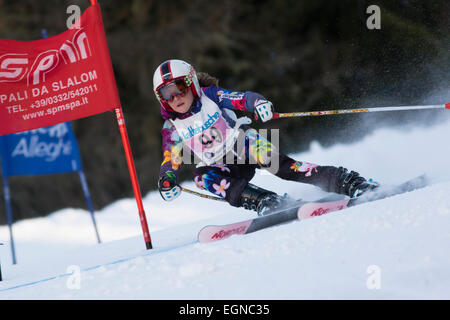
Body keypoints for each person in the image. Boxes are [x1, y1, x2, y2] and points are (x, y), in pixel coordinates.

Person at [154, 59, 378, 216]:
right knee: (202, 178)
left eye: (179, 88)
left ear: (192, 82)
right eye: (166, 94)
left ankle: (346, 181)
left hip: (242, 144)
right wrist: (167, 179)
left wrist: (259, 104)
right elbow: (170, 156)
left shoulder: (210, 97)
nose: (174, 97)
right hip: (221, 165)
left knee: (283, 167)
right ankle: (266, 201)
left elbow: (242, 98)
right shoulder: (172, 126)